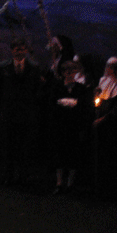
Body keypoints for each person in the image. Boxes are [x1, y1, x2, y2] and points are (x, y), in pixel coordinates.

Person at [0, 37, 46, 185]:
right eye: (17, 50)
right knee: (9, 145)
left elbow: (38, 89)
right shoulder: (3, 67)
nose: (20, 52)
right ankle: (9, 174)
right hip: (9, 112)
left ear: (26, 51)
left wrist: (33, 105)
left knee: (25, 145)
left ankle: (23, 175)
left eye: (22, 49)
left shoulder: (34, 67)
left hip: (26, 112)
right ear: (12, 51)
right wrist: (0, 108)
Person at [47, 60, 89, 193]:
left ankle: (70, 183)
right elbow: (52, 104)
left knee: (73, 155)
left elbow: (84, 106)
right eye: (66, 71)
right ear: (63, 73)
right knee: (59, 154)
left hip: (74, 126)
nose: (69, 73)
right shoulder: (57, 87)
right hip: (60, 125)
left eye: (72, 71)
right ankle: (59, 183)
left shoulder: (81, 89)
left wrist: (74, 105)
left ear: (76, 72)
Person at [91, 57, 117, 199]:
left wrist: (103, 119)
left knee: (108, 156)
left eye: (112, 67)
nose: (109, 69)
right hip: (99, 123)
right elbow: (98, 100)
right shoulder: (103, 81)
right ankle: (97, 188)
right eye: (108, 66)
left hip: (110, 127)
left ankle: (108, 190)